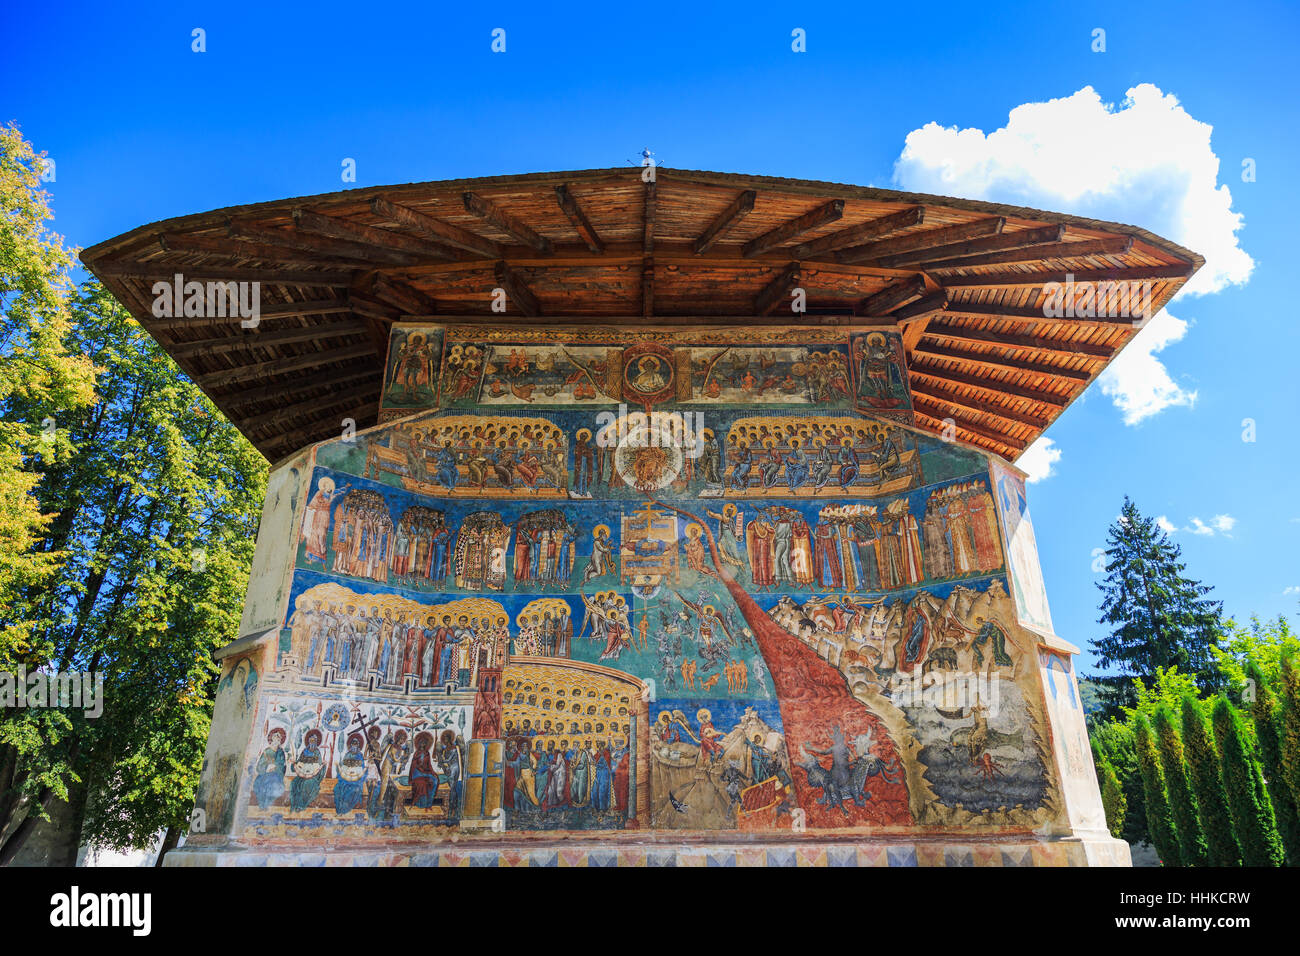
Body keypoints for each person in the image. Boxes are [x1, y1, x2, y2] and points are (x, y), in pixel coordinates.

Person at [289, 729, 325, 812]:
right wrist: (294, 763)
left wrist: (322, 766)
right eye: (311, 740)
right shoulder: (304, 751)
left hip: (312, 776)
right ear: (308, 741)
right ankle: (294, 804)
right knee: (294, 783)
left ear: (316, 742)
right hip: (302, 774)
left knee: (306, 784)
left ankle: (301, 806)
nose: (312, 742)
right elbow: (299, 763)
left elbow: (318, 766)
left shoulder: (317, 752)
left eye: (314, 741)